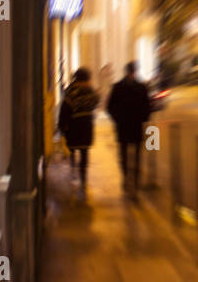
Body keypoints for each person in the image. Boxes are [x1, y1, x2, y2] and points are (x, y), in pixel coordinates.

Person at [106, 60, 151, 196]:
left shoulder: (117, 87)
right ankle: (135, 182)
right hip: (136, 125)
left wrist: (116, 119)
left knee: (124, 153)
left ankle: (126, 178)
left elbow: (109, 107)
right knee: (137, 154)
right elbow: (147, 106)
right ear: (135, 71)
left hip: (122, 125)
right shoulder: (141, 87)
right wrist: (143, 119)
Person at [57, 68, 99, 192]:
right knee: (84, 151)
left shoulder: (70, 91)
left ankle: (73, 169)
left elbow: (64, 110)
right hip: (86, 125)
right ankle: (83, 176)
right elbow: (96, 101)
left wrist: (61, 126)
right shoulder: (90, 91)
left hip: (73, 126)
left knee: (73, 149)